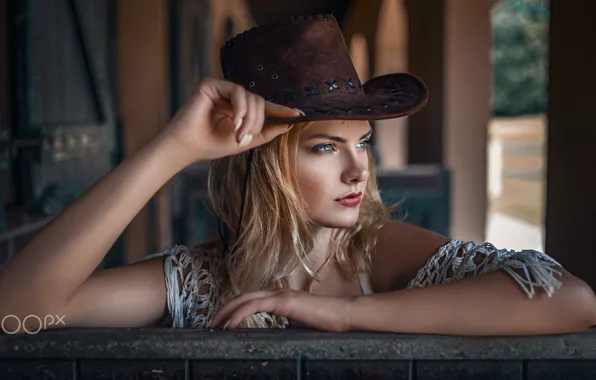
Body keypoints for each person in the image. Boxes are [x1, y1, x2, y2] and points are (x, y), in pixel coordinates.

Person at [1, 14, 595, 335]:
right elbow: (17, 311)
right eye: (323, 148)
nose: (358, 166)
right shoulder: (199, 279)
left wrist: (338, 313)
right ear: (264, 162)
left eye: (361, 143)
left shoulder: (379, 252)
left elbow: (571, 300)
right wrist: (173, 147)